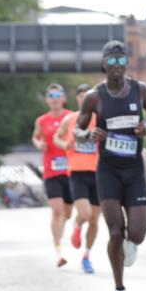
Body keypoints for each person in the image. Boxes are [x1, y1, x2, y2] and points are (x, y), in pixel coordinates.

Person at [75, 40, 146, 291]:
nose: (116, 64)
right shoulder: (94, 96)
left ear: (127, 63)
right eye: (111, 60)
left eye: (121, 59)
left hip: (134, 169)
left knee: (137, 233)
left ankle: (131, 243)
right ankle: (119, 290)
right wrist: (89, 134)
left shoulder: (140, 89)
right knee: (114, 231)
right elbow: (77, 130)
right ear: (104, 64)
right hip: (108, 170)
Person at [54, 83, 102, 274]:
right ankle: (76, 225)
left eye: (88, 96)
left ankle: (87, 256)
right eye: (82, 96)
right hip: (77, 172)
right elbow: (57, 137)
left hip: (98, 172)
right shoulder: (70, 119)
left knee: (95, 219)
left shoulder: (100, 119)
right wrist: (64, 144)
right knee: (86, 213)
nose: (85, 99)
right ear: (78, 99)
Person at [32, 83, 73, 267]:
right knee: (56, 211)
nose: (55, 99)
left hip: (71, 170)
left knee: (67, 214)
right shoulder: (42, 120)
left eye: (58, 95)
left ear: (63, 98)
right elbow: (36, 136)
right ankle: (58, 250)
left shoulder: (71, 117)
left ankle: (60, 235)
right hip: (51, 171)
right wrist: (39, 144)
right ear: (47, 100)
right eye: (51, 96)